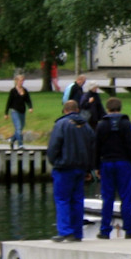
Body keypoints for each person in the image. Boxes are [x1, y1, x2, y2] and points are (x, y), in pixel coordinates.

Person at [45, 100, 95, 242]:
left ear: (65, 110)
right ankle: (77, 232)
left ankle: (65, 231)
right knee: (77, 200)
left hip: (64, 168)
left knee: (62, 199)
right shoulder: (86, 126)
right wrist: (89, 167)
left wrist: (55, 161)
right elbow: (92, 146)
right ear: (77, 110)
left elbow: (54, 147)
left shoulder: (61, 124)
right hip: (81, 168)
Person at [93, 98, 131, 239]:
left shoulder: (102, 125)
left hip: (107, 163)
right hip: (124, 163)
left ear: (107, 109)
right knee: (126, 197)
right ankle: (130, 229)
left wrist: (96, 166)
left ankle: (105, 230)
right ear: (120, 108)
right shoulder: (126, 124)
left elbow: (96, 147)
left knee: (107, 198)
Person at [4, 74, 32, 150]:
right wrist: (6, 113)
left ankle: (12, 139)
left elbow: (28, 100)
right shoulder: (13, 91)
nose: (21, 82)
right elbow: (9, 102)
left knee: (20, 128)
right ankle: (20, 145)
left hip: (22, 111)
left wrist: (30, 107)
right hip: (14, 111)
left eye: (22, 81)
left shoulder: (24, 90)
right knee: (18, 128)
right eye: (20, 81)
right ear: (16, 81)